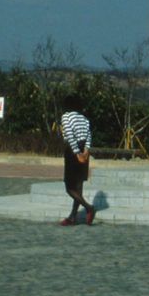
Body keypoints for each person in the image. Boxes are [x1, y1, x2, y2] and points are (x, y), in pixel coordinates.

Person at [60, 94, 95, 225]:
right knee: (79, 185)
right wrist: (85, 151)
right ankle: (73, 216)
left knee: (69, 187)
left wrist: (76, 153)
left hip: (71, 151)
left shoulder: (66, 117)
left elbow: (69, 135)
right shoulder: (85, 119)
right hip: (83, 149)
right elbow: (89, 135)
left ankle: (88, 207)